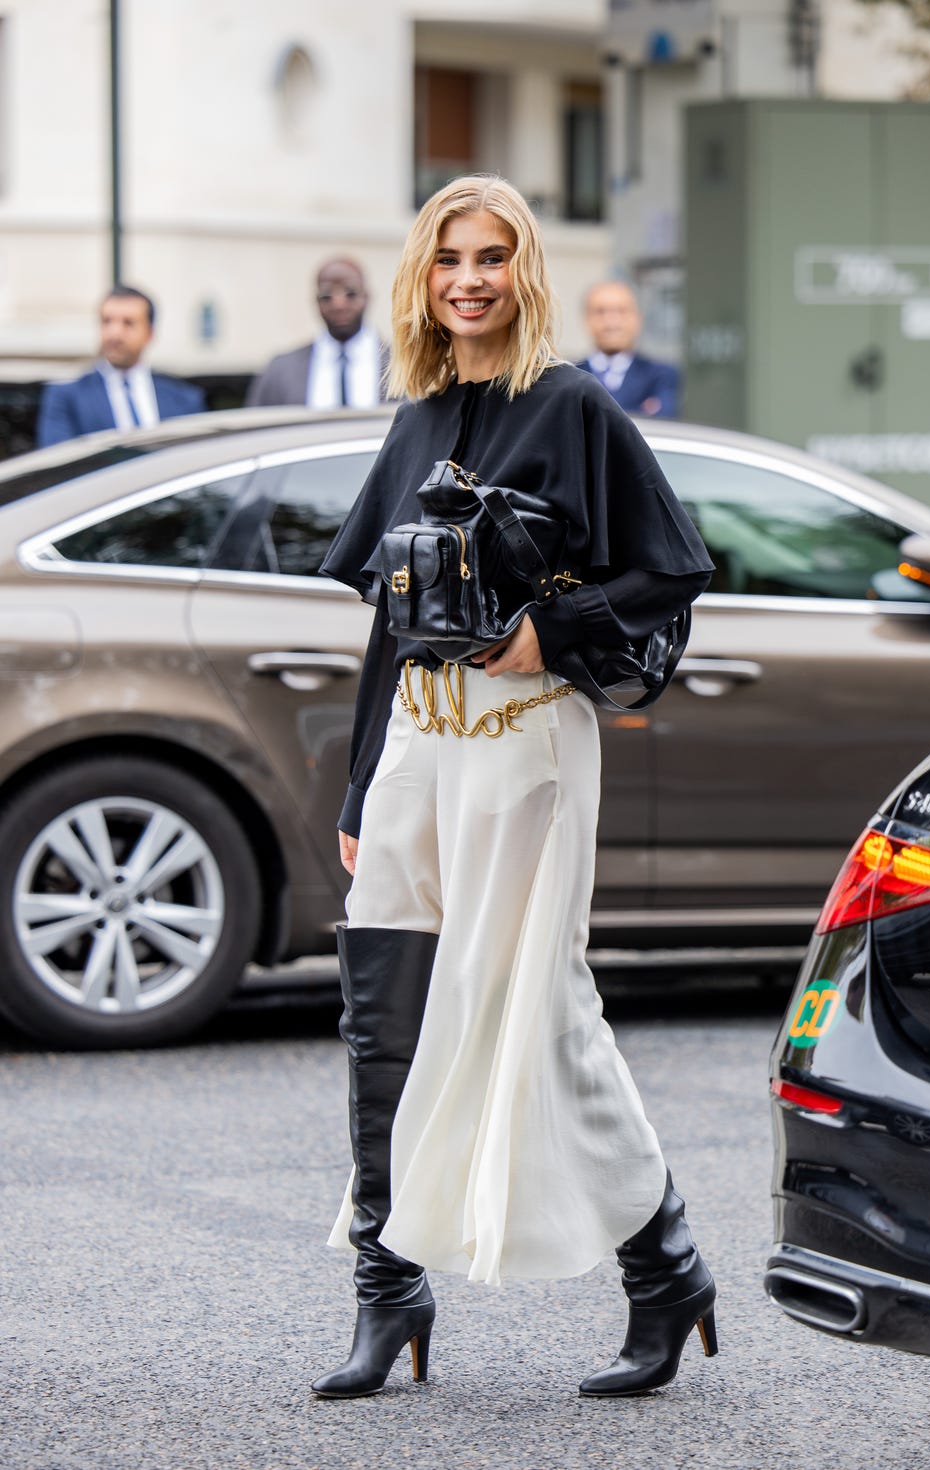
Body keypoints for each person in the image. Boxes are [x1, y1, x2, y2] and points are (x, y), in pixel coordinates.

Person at [313, 175, 716, 1401]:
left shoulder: (575, 406)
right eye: (448, 261)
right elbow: (388, 629)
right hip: (418, 749)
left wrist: (555, 629)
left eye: (491, 257)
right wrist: (358, 790)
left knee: (533, 1011)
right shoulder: (417, 415)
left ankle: (665, 1267)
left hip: (525, 742)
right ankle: (387, 1294)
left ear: (521, 271)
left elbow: (672, 570)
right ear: (423, 278)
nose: (469, 279)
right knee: (381, 1019)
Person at [35, 286, 206, 448]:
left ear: (150, 333)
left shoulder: (184, 399)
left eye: (128, 323)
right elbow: (60, 462)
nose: (115, 333)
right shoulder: (68, 397)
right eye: (107, 321)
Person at [246, 257, 387, 409]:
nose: (339, 304)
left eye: (350, 293)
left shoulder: (400, 365)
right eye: (327, 296)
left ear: (366, 297)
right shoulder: (280, 371)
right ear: (316, 301)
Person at [577, 280, 681, 419]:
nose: (611, 322)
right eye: (600, 312)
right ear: (586, 319)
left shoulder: (662, 376)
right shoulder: (569, 375)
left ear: (638, 318)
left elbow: (662, 422)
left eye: (621, 311)